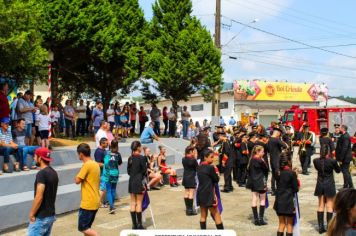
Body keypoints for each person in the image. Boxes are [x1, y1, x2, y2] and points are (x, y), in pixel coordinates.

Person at [314, 127, 341, 234]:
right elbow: (338, 171)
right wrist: (336, 162)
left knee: (320, 205)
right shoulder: (332, 161)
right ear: (328, 151)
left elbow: (317, 168)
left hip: (320, 183)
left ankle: (320, 227)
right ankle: (329, 227)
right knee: (330, 205)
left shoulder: (316, 161)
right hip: (329, 184)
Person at [27, 148, 58, 236]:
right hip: (50, 215)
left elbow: (39, 196)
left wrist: (32, 214)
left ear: (40, 158)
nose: (34, 158)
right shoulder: (53, 172)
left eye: (35, 156)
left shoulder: (41, 174)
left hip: (41, 217)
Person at [75, 143, 101, 236]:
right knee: (87, 227)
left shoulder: (87, 165)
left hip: (88, 202)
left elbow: (77, 180)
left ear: (81, 154)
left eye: (78, 154)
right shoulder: (95, 164)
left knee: (83, 227)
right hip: (95, 200)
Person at [197, 149, 224, 230]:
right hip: (209, 193)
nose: (212, 159)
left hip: (201, 193)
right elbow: (216, 179)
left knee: (203, 215)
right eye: (211, 157)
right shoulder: (210, 167)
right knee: (216, 214)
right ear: (205, 157)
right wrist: (217, 173)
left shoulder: (199, 167)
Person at [274, 153, 299, 236]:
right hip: (288, 201)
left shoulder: (277, 173)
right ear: (289, 161)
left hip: (279, 200)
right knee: (289, 224)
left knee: (281, 224)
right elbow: (296, 189)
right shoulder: (291, 173)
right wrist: (296, 176)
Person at [246, 145, 269, 226]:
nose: (263, 153)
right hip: (261, 181)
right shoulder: (260, 160)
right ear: (258, 152)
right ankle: (261, 218)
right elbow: (267, 169)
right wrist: (263, 161)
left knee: (254, 198)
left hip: (253, 181)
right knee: (262, 199)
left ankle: (256, 219)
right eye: (262, 151)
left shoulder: (251, 159)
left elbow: (248, 170)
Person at [128, 141, 147, 230]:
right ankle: (139, 225)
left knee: (132, 203)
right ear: (138, 147)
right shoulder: (142, 158)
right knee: (139, 203)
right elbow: (144, 170)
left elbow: (128, 171)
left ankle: (134, 225)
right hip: (139, 181)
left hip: (131, 181)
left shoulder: (130, 158)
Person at [102, 140, 122, 214]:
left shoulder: (107, 153)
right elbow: (120, 163)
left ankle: (111, 207)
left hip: (108, 174)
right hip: (115, 173)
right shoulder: (118, 154)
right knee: (113, 190)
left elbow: (105, 163)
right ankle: (112, 205)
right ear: (117, 146)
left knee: (109, 190)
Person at [267, 127, 287, 195]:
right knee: (278, 174)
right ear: (277, 133)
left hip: (272, 159)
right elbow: (285, 146)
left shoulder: (269, 140)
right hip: (277, 159)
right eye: (279, 134)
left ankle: (273, 189)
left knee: (273, 175)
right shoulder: (276, 139)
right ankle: (279, 189)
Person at [336, 125, 354, 189]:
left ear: (343, 129)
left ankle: (351, 186)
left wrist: (341, 159)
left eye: (340, 128)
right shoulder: (343, 135)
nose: (338, 129)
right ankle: (345, 186)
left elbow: (344, 148)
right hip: (344, 157)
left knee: (345, 172)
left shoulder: (346, 136)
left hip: (345, 158)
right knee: (345, 172)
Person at [182, 145, 198, 216]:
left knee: (186, 192)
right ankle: (190, 210)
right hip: (191, 177)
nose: (194, 152)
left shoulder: (183, 159)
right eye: (193, 151)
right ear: (190, 151)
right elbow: (197, 168)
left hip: (185, 176)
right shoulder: (193, 160)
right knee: (191, 193)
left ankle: (187, 209)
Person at [94, 137, 109, 208]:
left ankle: (102, 201)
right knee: (102, 187)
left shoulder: (103, 150)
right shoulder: (99, 152)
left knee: (104, 187)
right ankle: (99, 203)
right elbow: (97, 163)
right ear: (102, 143)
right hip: (101, 172)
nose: (108, 144)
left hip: (105, 171)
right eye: (106, 143)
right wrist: (107, 165)